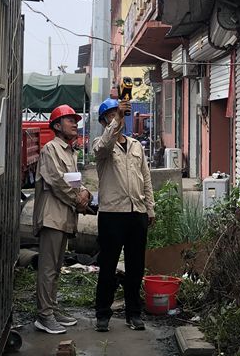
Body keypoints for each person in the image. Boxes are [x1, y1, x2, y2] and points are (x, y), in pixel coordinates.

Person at [93, 98, 155, 332]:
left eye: (118, 114)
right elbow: (105, 144)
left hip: (136, 213)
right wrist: (117, 119)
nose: (116, 118)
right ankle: (102, 314)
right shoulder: (101, 145)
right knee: (108, 266)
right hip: (112, 214)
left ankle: (133, 313)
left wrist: (150, 208)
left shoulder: (136, 146)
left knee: (136, 267)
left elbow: (146, 178)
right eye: (111, 115)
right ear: (103, 121)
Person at [32, 104, 92, 334]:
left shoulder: (69, 151)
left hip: (64, 216)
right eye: (70, 120)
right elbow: (58, 182)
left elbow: (74, 181)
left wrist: (84, 192)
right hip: (52, 216)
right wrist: (78, 199)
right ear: (57, 126)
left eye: (75, 120)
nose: (75, 123)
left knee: (56, 267)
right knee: (48, 268)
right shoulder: (51, 149)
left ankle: (52, 308)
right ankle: (44, 315)